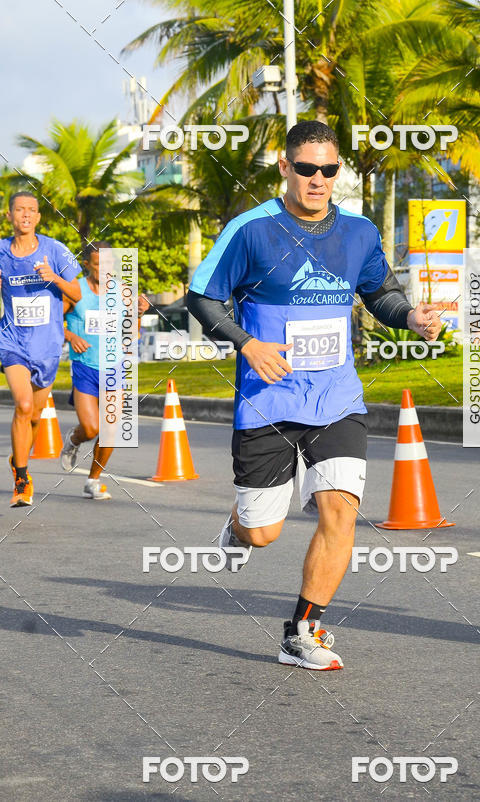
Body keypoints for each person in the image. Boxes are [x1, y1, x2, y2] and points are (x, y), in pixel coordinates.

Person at [187, 120, 441, 670]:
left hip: (336, 399)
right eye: (306, 169)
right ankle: (236, 528)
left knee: (340, 513)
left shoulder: (358, 232)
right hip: (270, 401)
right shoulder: (251, 230)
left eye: (328, 170)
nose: (318, 179)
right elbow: (202, 298)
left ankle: (303, 630)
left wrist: (411, 317)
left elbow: (381, 293)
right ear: (285, 168)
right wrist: (248, 344)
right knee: (262, 532)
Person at [0, 191, 81, 508]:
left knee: (33, 415)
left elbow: (78, 292)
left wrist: (55, 279)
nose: (25, 214)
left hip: (46, 346)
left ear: (38, 217)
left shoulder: (56, 250)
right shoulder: (2, 251)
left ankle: (17, 457)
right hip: (12, 341)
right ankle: (22, 478)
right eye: (19, 209)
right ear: (9, 215)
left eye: (31, 210)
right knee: (22, 405)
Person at [60, 241, 149, 498]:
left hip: (114, 367)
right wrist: (70, 335)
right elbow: (54, 322)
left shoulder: (123, 292)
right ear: (87, 264)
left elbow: (132, 334)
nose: (106, 269)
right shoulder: (75, 290)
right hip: (85, 366)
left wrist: (139, 313)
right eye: (99, 264)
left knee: (111, 428)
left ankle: (93, 480)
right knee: (90, 428)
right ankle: (74, 440)